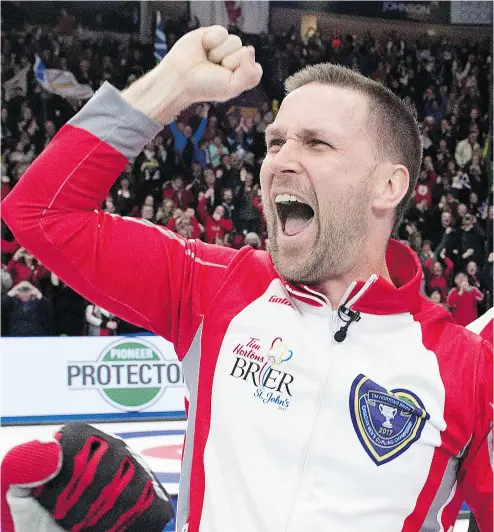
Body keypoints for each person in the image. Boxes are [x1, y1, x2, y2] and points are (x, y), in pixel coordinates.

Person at [1, 26, 492, 532]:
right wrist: (171, 85)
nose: (280, 161)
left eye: (316, 144)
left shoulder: (470, 368)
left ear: (389, 185)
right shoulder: (214, 286)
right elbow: (41, 212)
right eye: (275, 142)